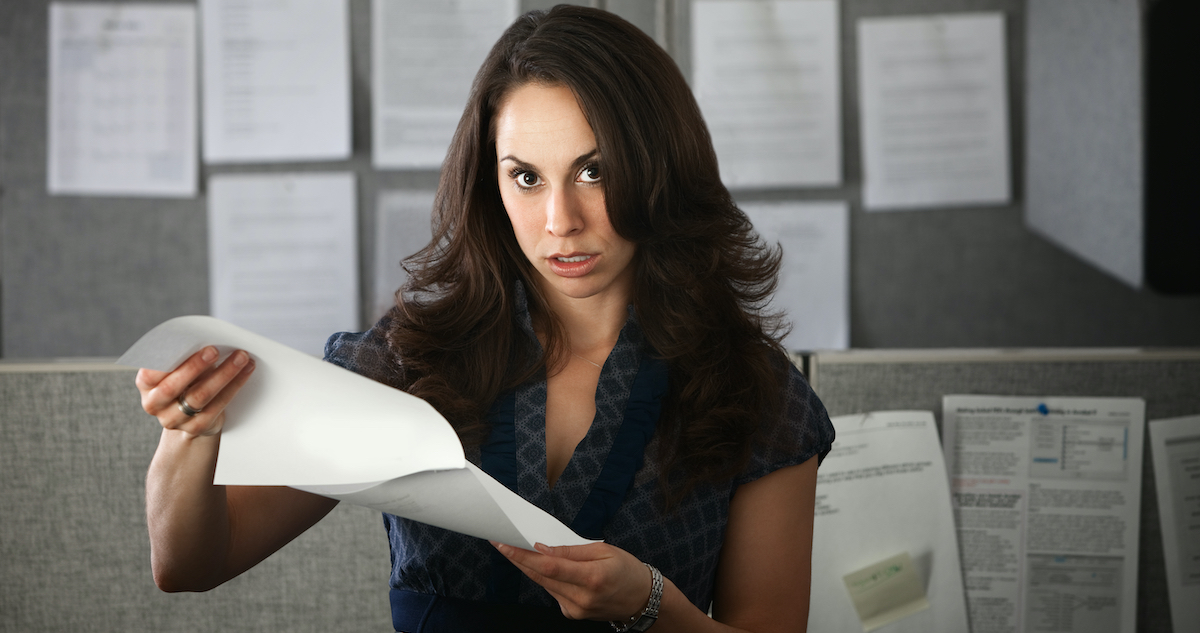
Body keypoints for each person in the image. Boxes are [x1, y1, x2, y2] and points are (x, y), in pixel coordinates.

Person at [136, 6, 834, 632]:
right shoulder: (408, 357)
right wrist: (187, 435)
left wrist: (655, 606)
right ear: (490, 180)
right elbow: (190, 562)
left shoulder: (758, 394)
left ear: (660, 168)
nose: (560, 221)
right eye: (526, 177)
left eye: (594, 171)